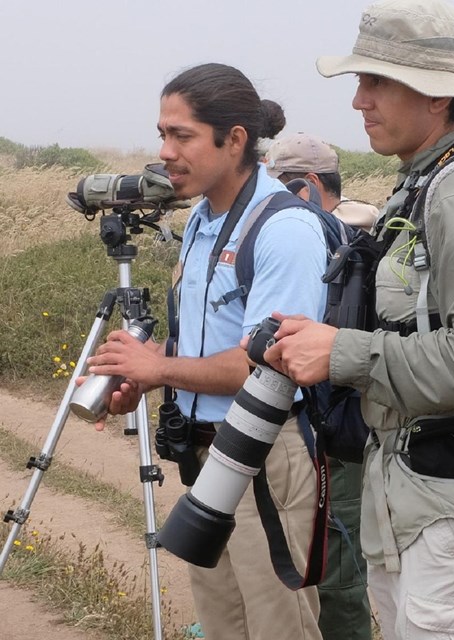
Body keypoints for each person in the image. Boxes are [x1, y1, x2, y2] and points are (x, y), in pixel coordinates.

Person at [256, 2, 454, 639]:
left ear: (437, 96)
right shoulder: (423, 187)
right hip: (418, 510)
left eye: (376, 81)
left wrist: (343, 353)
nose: (359, 100)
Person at [85, 63, 327, 640]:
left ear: (235, 138)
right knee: (222, 625)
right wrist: (139, 373)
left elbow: (261, 362)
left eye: (182, 135)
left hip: (264, 457)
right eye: (162, 133)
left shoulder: (284, 229)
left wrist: (159, 366)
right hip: (209, 461)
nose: (165, 152)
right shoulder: (201, 220)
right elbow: (204, 343)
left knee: (278, 626)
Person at [266, 132, 374, 640]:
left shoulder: (347, 238)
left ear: (307, 186)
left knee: (335, 566)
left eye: (278, 192)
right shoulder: (348, 235)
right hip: (321, 427)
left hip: (334, 434)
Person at [265, 132, 379, 233]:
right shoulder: (371, 226)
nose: (269, 196)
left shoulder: (309, 234)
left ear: (310, 184)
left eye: (278, 187)